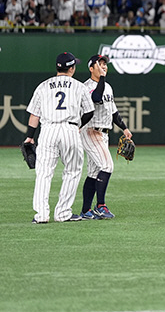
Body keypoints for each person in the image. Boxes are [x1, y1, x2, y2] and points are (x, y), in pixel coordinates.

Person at [25, 52, 95, 223]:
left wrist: (29, 137)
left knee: (43, 173)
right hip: (70, 130)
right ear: (71, 68)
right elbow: (90, 111)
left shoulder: (43, 86)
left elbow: (35, 115)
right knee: (72, 171)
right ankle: (63, 212)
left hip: (48, 130)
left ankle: (41, 215)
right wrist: (78, 125)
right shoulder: (79, 86)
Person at [79, 55, 133, 220]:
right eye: (99, 64)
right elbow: (96, 98)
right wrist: (101, 77)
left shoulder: (107, 86)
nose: (103, 67)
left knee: (94, 173)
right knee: (107, 166)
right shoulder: (85, 87)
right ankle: (100, 206)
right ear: (91, 68)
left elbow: (113, 112)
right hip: (90, 131)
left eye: (105, 64)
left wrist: (124, 128)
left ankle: (86, 211)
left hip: (103, 133)